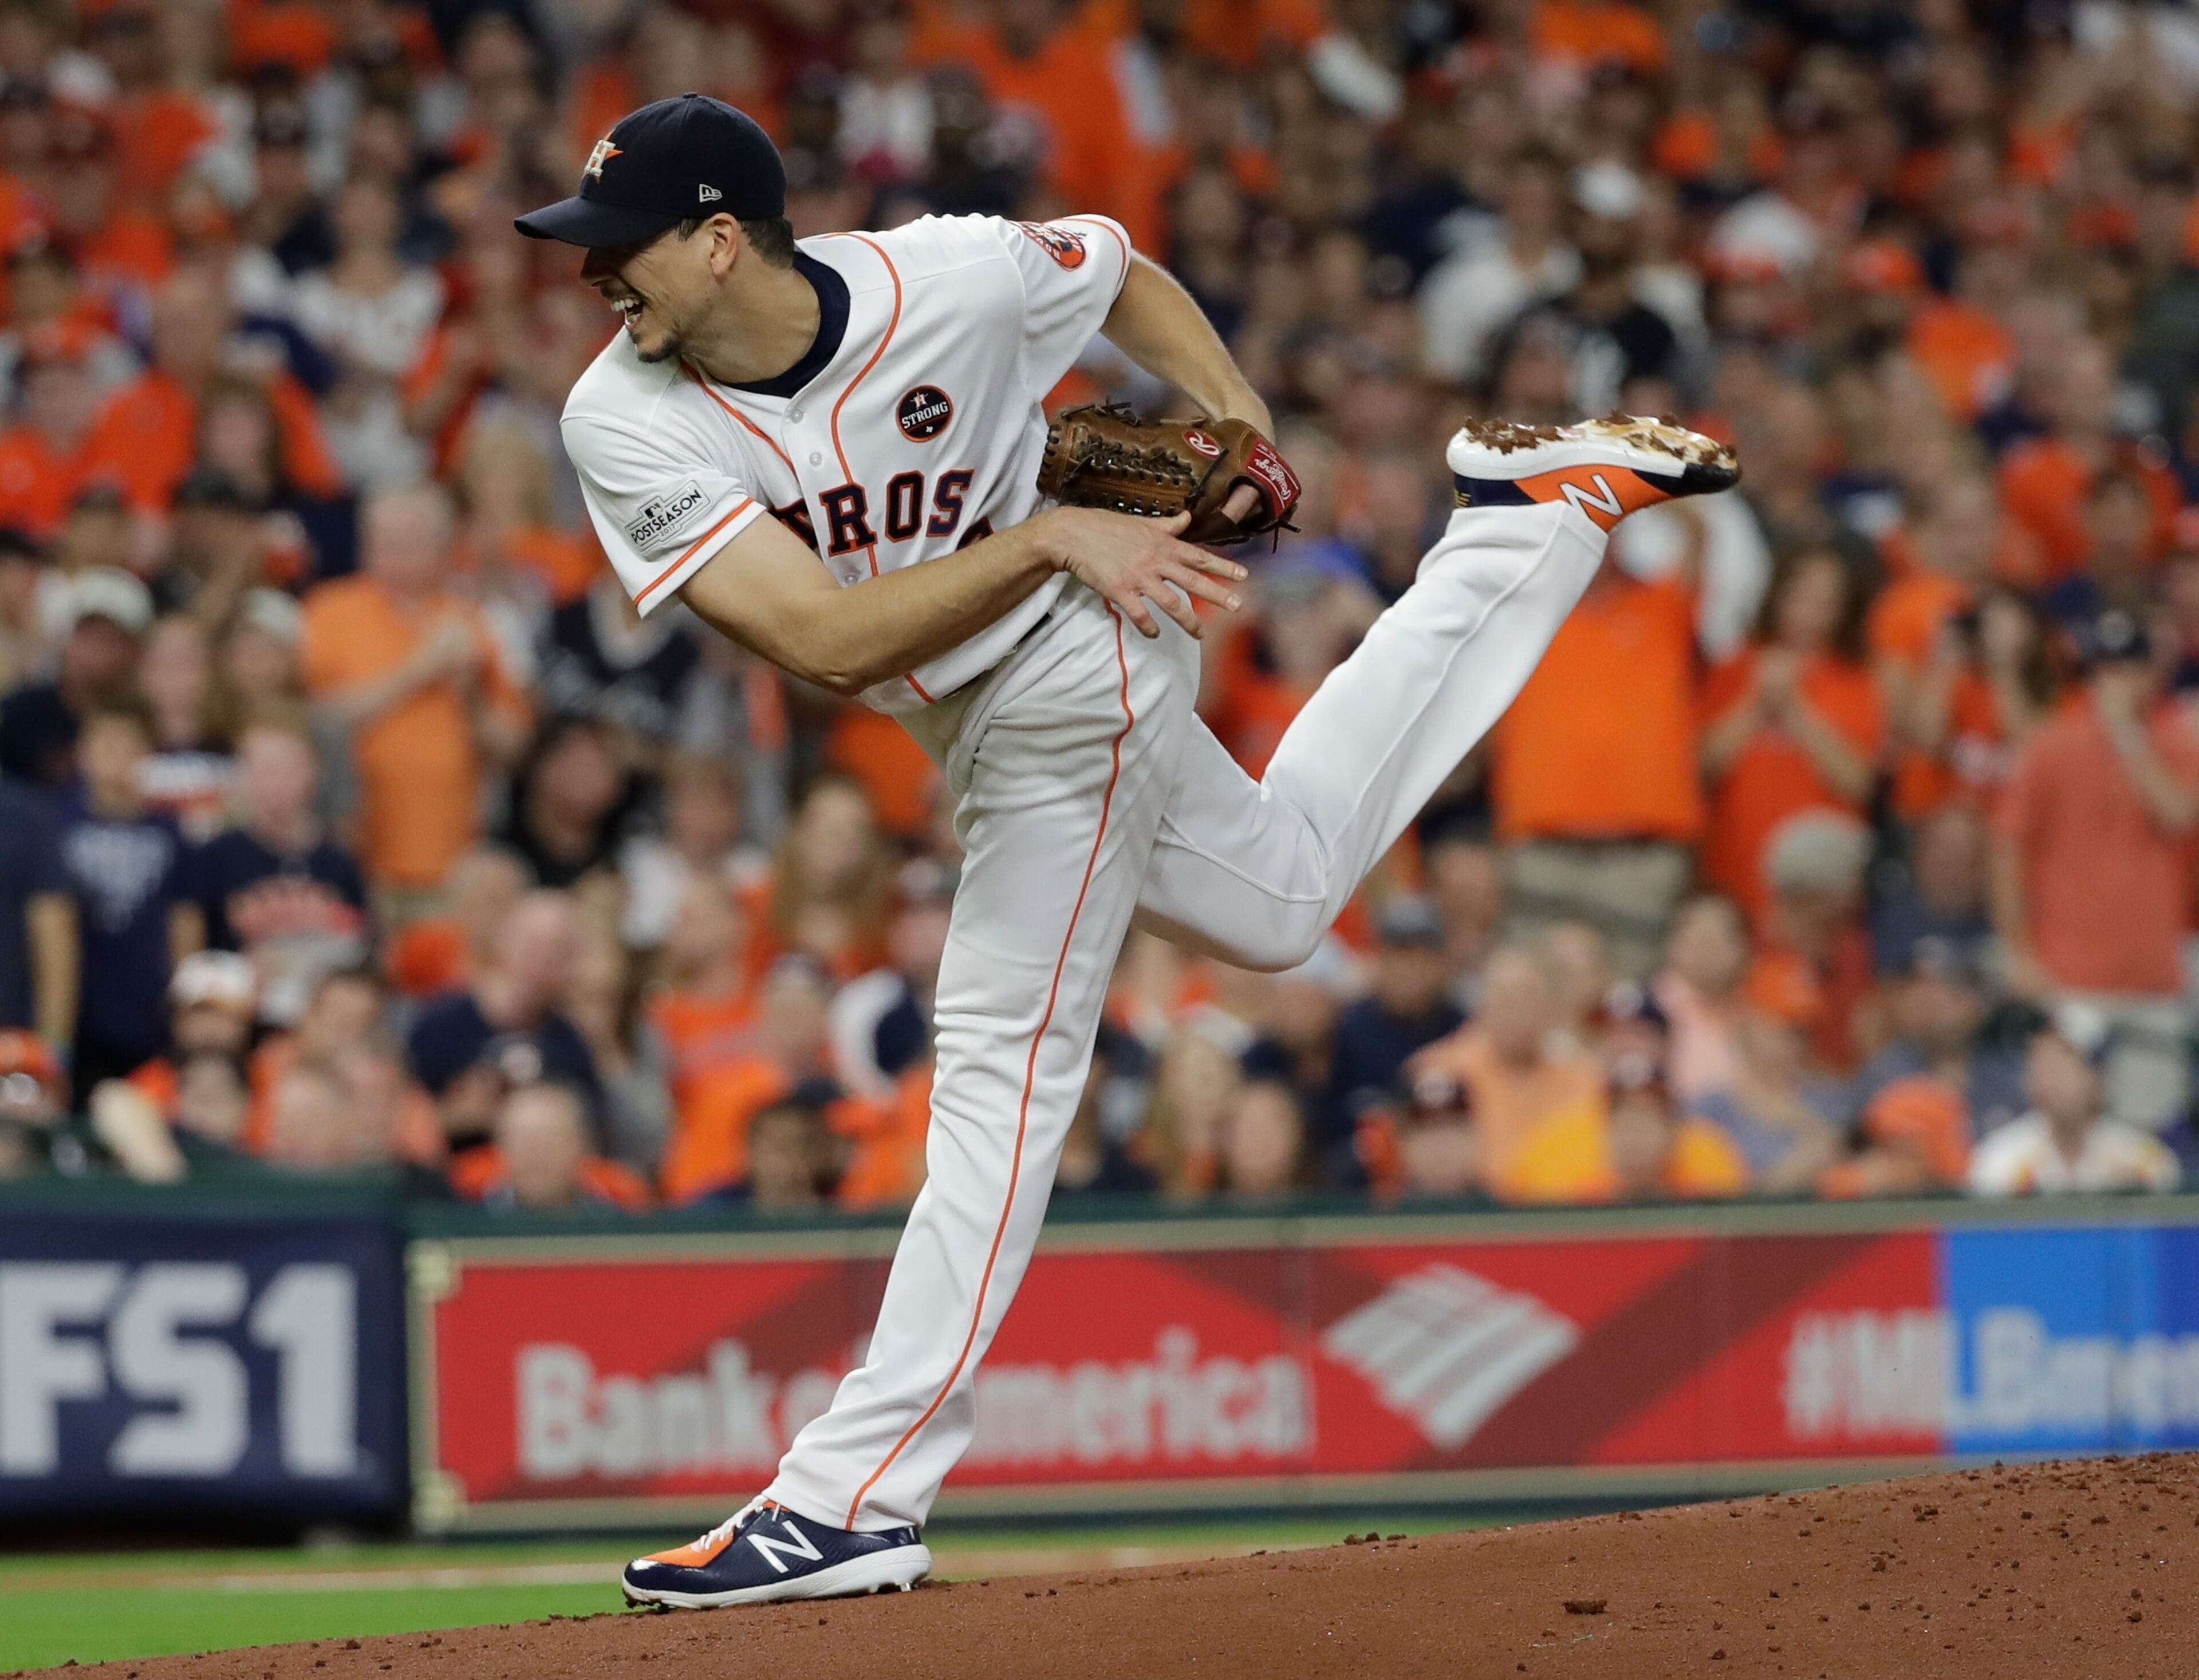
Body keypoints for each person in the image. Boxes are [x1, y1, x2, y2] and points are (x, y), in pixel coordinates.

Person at [521, 93, 1736, 1603]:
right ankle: (1526, 518)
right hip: (991, 672)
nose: (596, 279)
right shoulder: (621, 411)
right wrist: (1042, 533)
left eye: (618, 248)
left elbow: (1119, 272)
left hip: (1085, 654)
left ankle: (851, 1492)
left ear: (718, 242)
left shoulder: (944, 277)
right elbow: (827, 640)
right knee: (1284, 895)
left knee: (994, 1058)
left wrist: (1240, 418)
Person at [1993, 609, 2199, 1130]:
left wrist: (2128, 735)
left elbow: (2177, 814)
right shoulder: (2053, 743)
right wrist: (2020, 951)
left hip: (2153, 978)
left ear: (2151, 674)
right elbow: (2006, 850)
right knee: (2068, 1127)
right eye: (2106, 670)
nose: (2117, 683)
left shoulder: (2177, 741)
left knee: (2149, 1137)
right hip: (2071, 979)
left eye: (2129, 669)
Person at [298, 484, 531, 901]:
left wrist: (472, 694)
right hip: (351, 851)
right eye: (382, 541)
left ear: (444, 548)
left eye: (409, 543)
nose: (392, 555)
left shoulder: (475, 621)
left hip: (452, 858)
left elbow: (512, 746)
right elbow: (316, 720)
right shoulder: (329, 610)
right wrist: (419, 669)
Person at [57, 693, 203, 1090]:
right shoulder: (55, 824)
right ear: (82, 752)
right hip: (80, 1007)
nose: (115, 757)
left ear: (146, 754)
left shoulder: (171, 833)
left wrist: (180, 1002)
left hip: (146, 1010)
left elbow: (185, 921)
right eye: (103, 744)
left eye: (127, 746)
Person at [190, 712, 370, 1026]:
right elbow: (191, 964)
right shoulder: (216, 856)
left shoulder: (340, 862)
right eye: (260, 770)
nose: (272, 784)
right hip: (244, 1021)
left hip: (324, 1024)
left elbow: (363, 955)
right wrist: (239, 976)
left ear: (313, 771)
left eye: (284, 769)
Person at [1968, 1007, 2181, 1197]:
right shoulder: (2000, 1161)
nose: (2055, 1078)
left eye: (2069, 1063)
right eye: (2046, 1064)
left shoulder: (2143, 1161)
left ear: (2098, 1075)